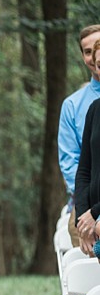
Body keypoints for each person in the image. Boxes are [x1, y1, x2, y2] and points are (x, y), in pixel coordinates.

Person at [59, 24, 100, 246]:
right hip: (85, 200)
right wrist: (87, 211)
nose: (94, 56)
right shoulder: (74, 105)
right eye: (87, 51)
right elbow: (72, 164)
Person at [76, 41, 100, 256]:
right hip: (92, 216)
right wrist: (83, 219)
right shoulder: (94, 110)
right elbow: (84, 170)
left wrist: (95, 214)